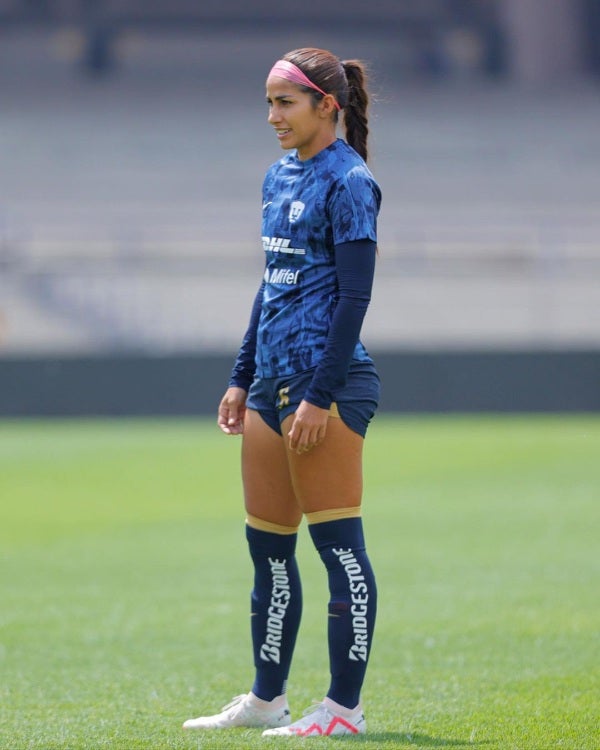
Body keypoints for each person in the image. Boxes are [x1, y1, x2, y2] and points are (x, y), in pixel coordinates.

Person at [183, 46, 382, 738]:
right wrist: (243, 376)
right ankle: (268, 700)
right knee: (268, 550)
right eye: (268, 103)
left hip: (327, 389)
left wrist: (320, 396)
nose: (272, 116)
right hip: (272, 388)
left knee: (339, 550)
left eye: (284, 102)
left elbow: (354, 297)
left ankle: (344, 711)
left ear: (327, 106)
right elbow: (272, 287)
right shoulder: (276, 177)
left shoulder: (350, 181)